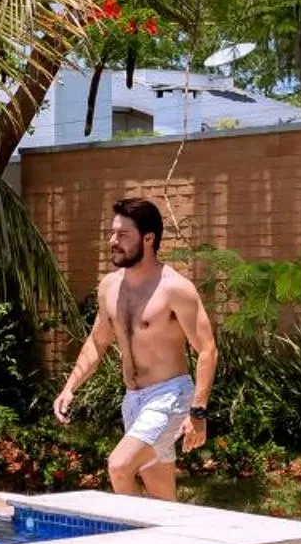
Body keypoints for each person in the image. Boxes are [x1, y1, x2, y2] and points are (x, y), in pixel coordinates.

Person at [52, 197, 217, 498]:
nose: (113, 242)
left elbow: (208, 350)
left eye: (123, 235)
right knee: (163, 502)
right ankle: (173, 543)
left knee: (119, 466)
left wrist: (198, 413)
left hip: (170, 396)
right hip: (134, 401)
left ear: (149, 238)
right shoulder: (110, 287)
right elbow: (98, 341)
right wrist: (70, 387)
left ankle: (131, 541)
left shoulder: (175, 288)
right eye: (112, 234)